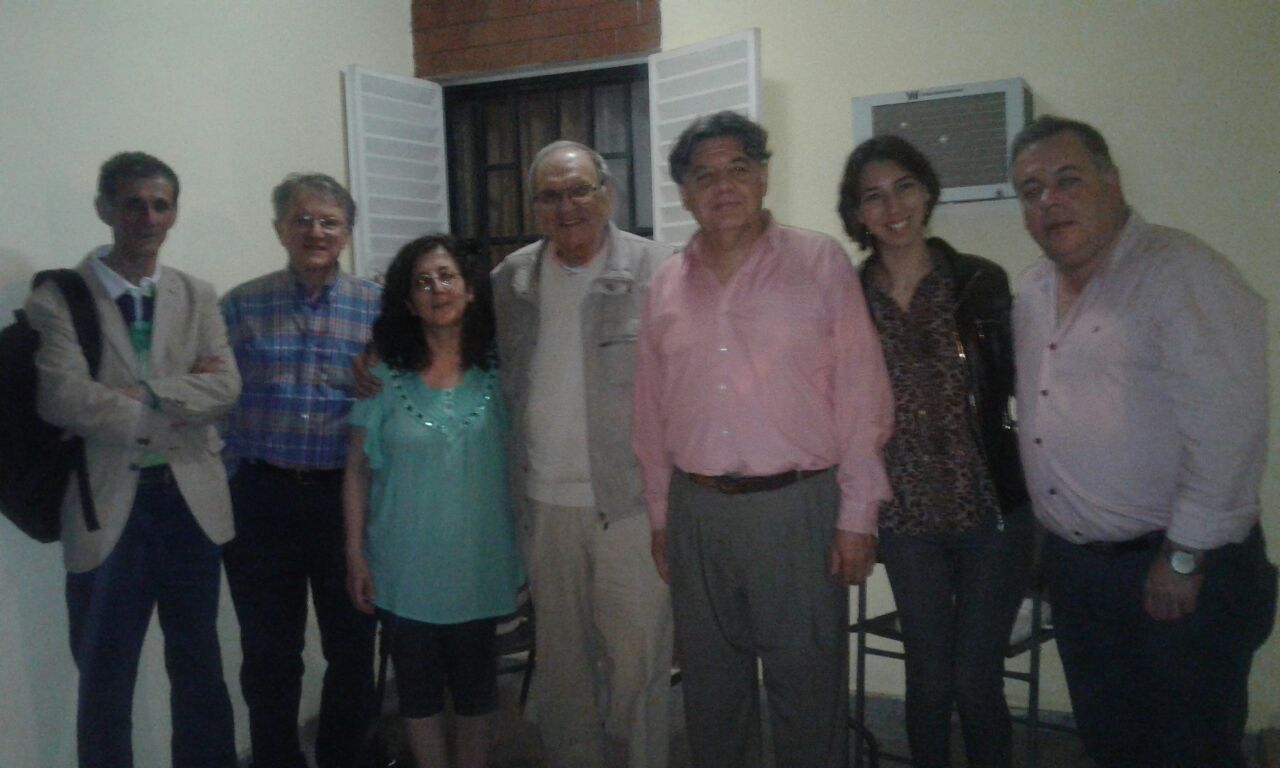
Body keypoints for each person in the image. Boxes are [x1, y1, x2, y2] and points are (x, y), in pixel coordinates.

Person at [1010, 115, 1276, 768]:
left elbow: (1229, 430)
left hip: (1178, 569)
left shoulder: (1182, 273)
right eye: (1031, 190)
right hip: (1080, 574)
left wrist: (1183, 559)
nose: (1049, 201)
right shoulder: (1033, 291)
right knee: (1112, 743)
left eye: (1067, 179)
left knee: (1189, 748)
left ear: (1112, 181)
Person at [632, 112, 894, 768]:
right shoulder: (665, 284)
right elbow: (648, 413)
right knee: (711, 696)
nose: (722, 187)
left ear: (764, 178)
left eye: (738, 170)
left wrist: (857, 516)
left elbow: (863, 395)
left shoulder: (820, 263)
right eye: (704, 177)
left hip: (797, 508)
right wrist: (662, 518)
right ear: (685, 194)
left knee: (807, 692)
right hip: (696, 511)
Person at [26, 152, 240, 768]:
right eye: (133, 204)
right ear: (105, 209)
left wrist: (138, 393)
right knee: (105, 677)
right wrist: (180, 399)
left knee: (199, 668)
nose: (147, 218)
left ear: (173, 213)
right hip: (107, 509)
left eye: (160, 205)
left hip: (192, 504)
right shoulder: (61, 297)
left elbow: (226, 389)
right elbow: (63, 398)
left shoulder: (196, 295)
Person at [836, 135, 1031, 768]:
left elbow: (1022, 385)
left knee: (975, 682)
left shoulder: (979, 281)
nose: (893, 207)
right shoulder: (846, 298)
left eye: (905, 187)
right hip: (906, 518)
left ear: (927, 193)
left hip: (989, 510)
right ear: (857, 213)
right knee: (927, 679)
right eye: (873, 196)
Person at [491, 140, 674, 768]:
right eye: (550, 195)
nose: (566, 206)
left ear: (608, 193)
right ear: (534, 206)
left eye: (579, 190)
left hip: (630, 509)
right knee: (563, 673)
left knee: (638, 667)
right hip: (544, 508)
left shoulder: (659, 270)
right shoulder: (511, 280)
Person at [343, 234, 524, 768]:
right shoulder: (381, 377)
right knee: (417, 694)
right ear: (408, 301)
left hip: (479, 565)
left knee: (476, 693)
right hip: (404, 566)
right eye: (422, 282)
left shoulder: (502, 373)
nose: (437, 289)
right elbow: (356, 471)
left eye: (447, 276)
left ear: (470, 290)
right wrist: (354, 555)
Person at [220, 173, 379, 768]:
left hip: (345, 501)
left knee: (352, 646)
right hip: (262, 500)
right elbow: (215, 398)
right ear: (280, 228)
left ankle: (343, 757)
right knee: (268, 654)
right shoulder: (241, 305)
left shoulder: (378, 308)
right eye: (302, 219)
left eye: (329, 221)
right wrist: (232, 476)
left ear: (347, 232)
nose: (316, 231)